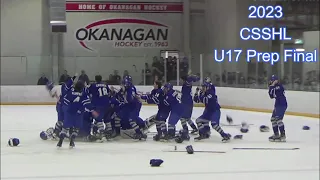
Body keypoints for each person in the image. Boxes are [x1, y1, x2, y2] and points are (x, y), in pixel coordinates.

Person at [58, 80, 99, 148]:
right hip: (78, 113)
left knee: (65, 128)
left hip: (69, 112)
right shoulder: (83, 94)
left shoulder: (70, 92)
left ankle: (60, 141)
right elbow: (87, 104)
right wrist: (92, 110)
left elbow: (65, 101)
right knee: (76, 128)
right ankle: (72, 142)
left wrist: (61, 102)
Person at [268, 75, 287, 142]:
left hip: (282, 105)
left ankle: (282, 135)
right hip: (277, 105)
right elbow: (271, 95)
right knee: (273, 119)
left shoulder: (279, 87)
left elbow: (271, 94)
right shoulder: (274, 87)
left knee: (278, 119)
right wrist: (271, 86)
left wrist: (272, 86)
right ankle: (276, 134)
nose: (271, 81)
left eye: (273, 80)